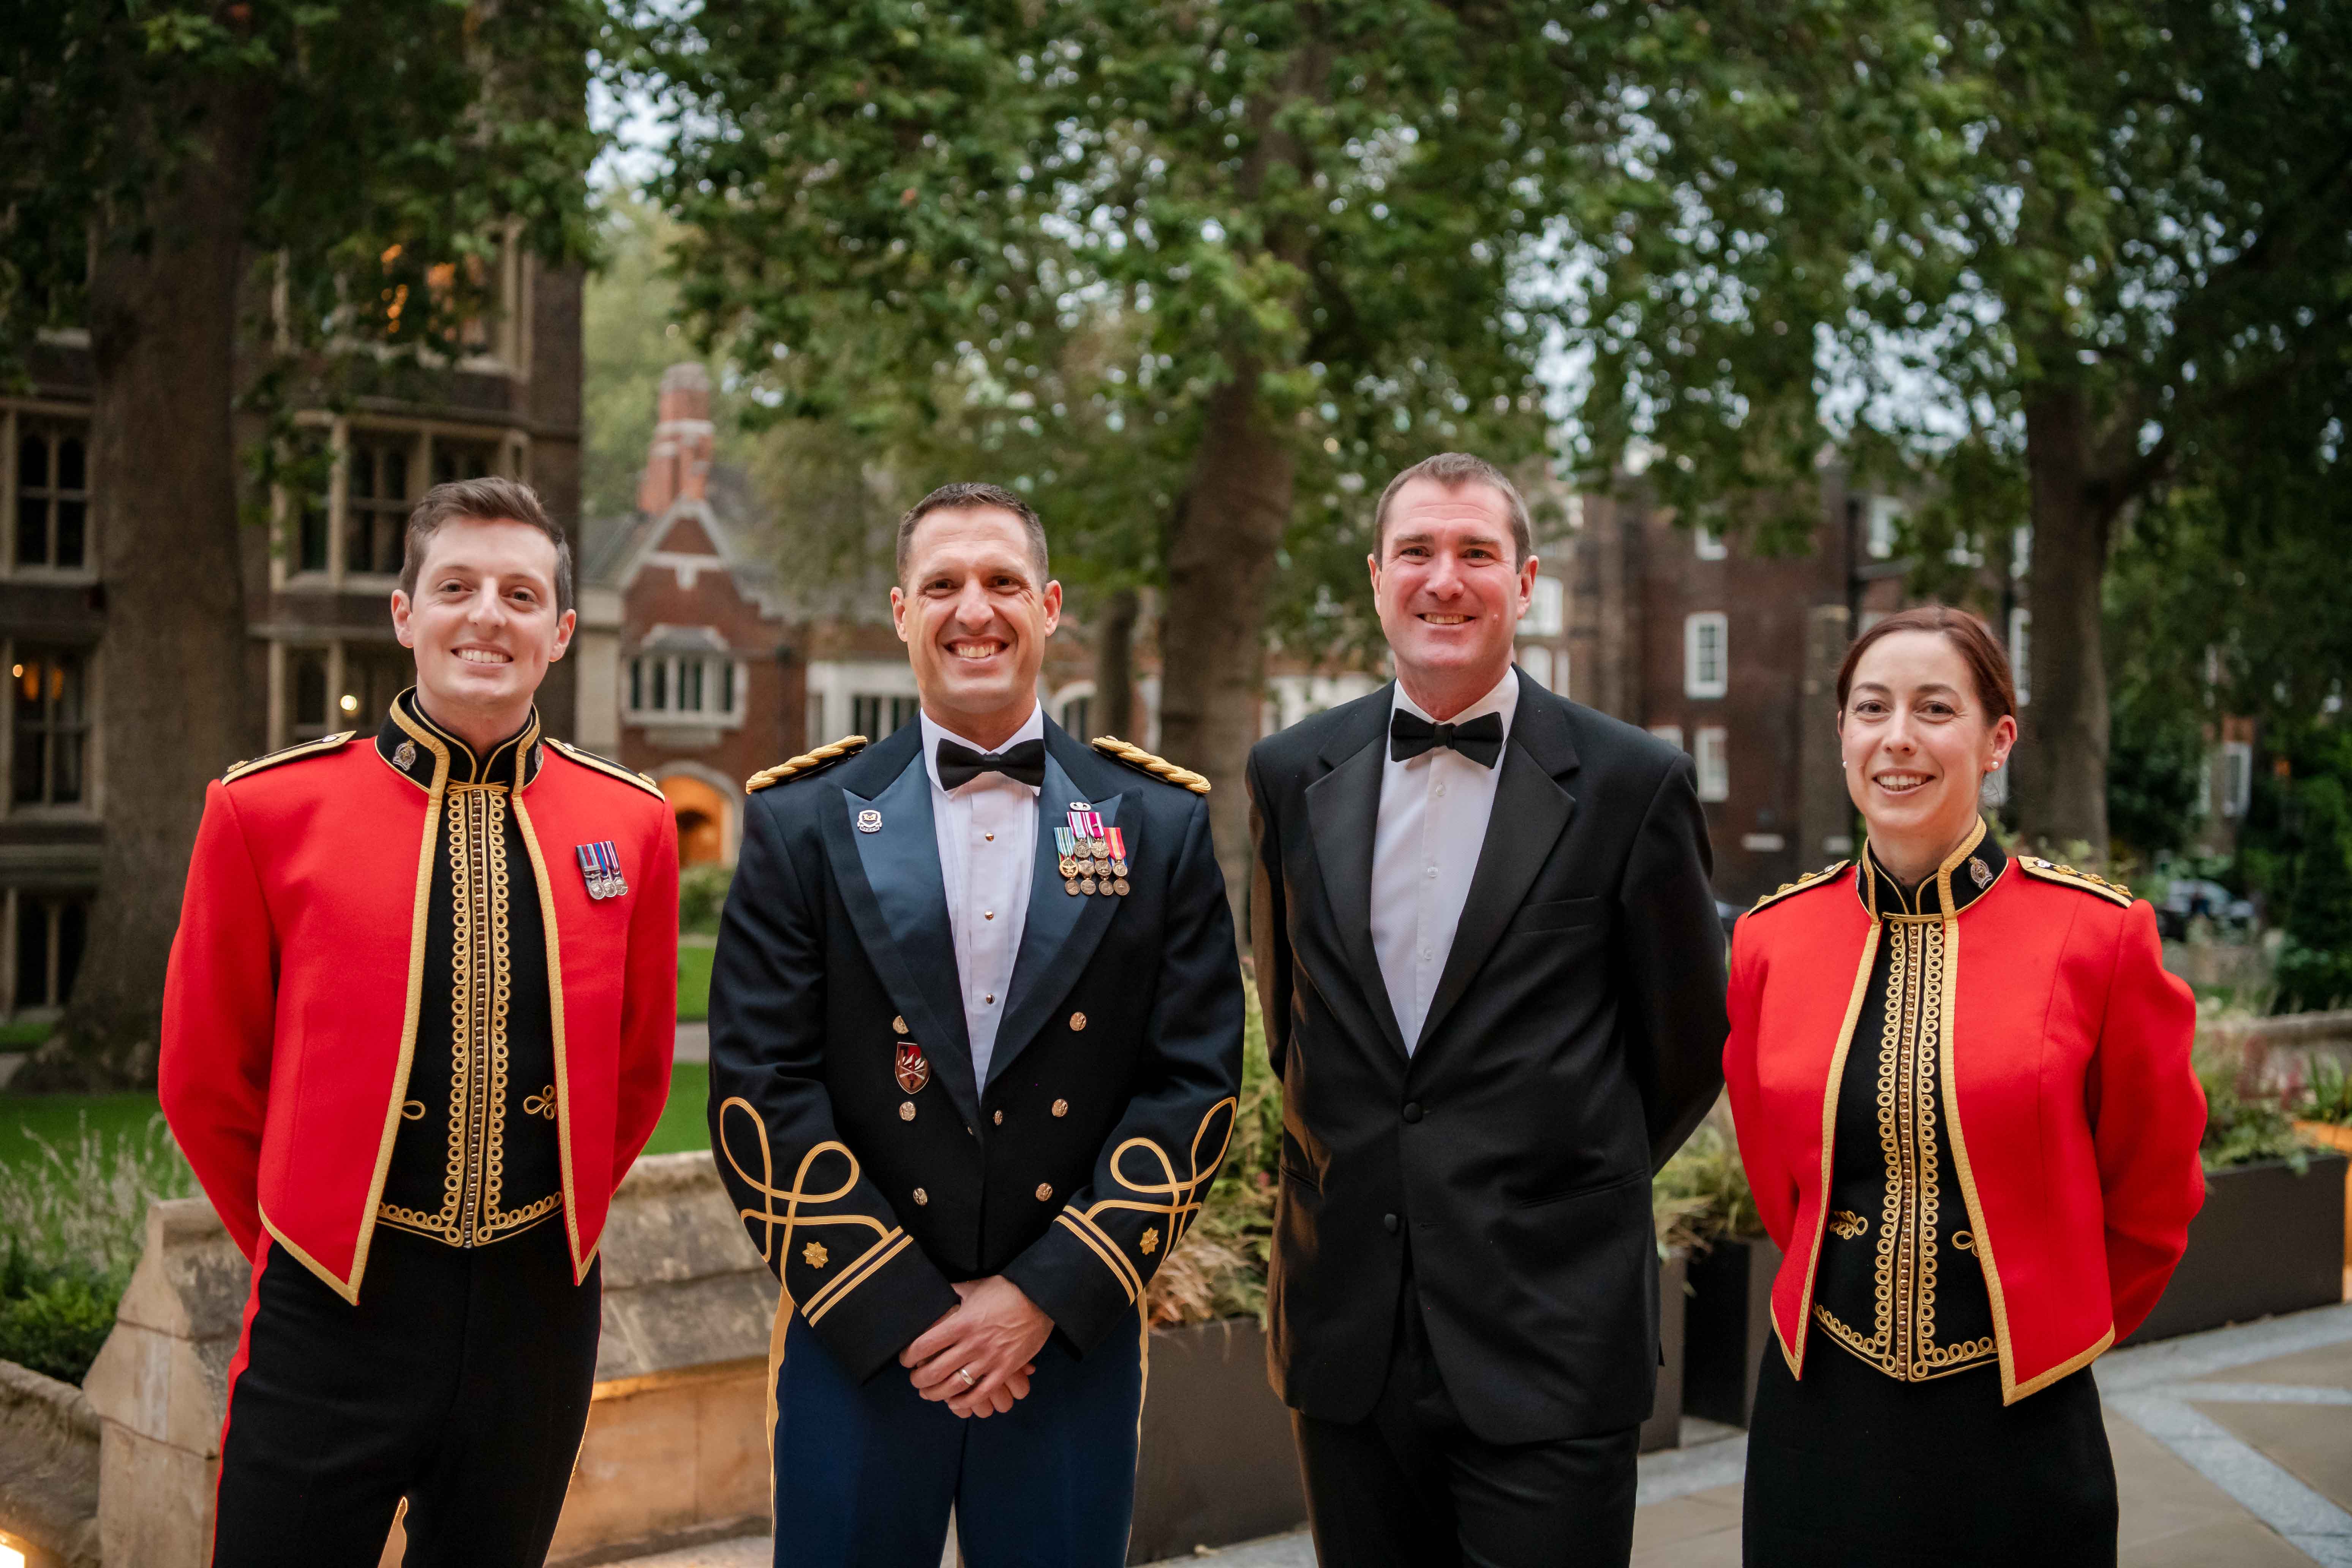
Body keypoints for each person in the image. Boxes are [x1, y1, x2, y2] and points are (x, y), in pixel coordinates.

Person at [707, 481, 1244, 1567]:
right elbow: (761, 1083)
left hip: (1066, 1343)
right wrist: (903, 1309)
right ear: (901, 613)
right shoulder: (801, 821)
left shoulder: (1161, 823)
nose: (975, 609)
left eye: (1003, 582)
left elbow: (1194, 1085)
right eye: (942, 584)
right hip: (858, 1335)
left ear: (1050, 607)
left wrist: (1039, 1299)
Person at [161, 477, 679, 1566]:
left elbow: (635, 1080)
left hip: (540, 1315)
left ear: (561, 632)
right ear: (406, 615)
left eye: (520, 595)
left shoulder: (632, 825)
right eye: (457, 586)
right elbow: (206, 1081)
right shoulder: (264, 812)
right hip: (334, 1305)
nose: (488, 614)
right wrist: (309, 1237)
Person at [1246, 453, 1728, 1568]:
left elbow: (1687, 1050)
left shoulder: (1630, 782)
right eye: (1417, 551)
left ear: (1525, 584)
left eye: (1475, 553)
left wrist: (1544, 1183)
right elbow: (1293, 1024)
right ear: (1377, 579)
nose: (1444, 579)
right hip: (1347, 1339)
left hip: (1549, 1337)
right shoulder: (1287, 772)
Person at [1723, 604, 2206, 1567]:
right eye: (1872, 709)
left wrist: (2057, 1318)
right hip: (1818, 1410)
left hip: (2022, 1424)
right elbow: (1780, 1178)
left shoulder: (2099, 937)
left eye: (1935, 709)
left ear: (1997, 741)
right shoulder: (1770, 940)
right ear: (1842, 737)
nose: (1898, 739)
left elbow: (2154, 1197)